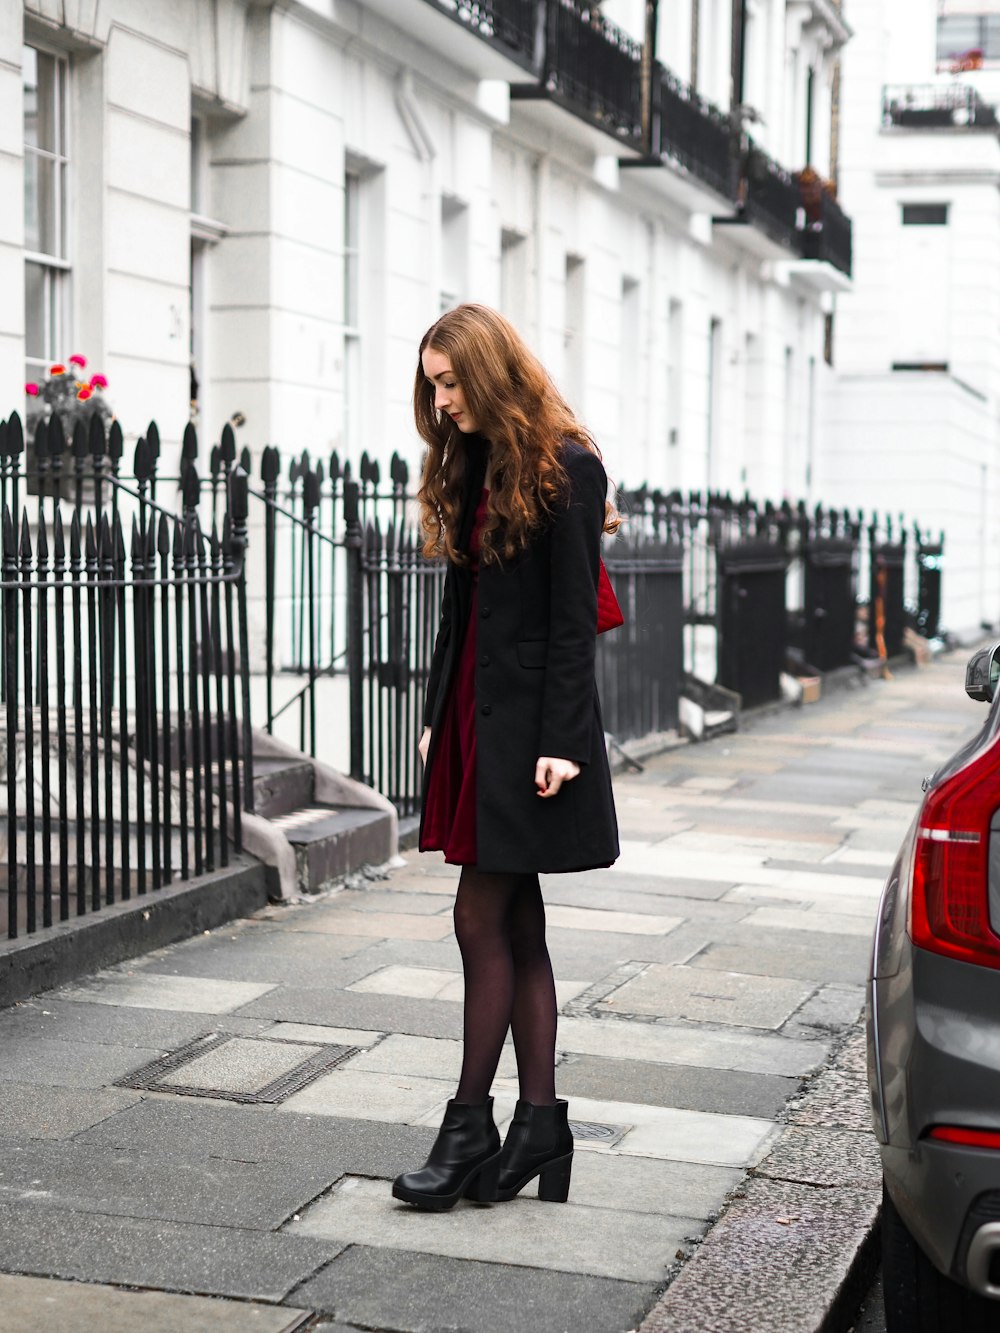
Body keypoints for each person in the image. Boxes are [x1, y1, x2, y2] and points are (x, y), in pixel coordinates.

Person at [391, 304, 620, 1212]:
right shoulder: (475, 462)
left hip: (532, 737)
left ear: (487, 372)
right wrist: (438, 712)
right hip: (476, 722)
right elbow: (462, 609)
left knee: (478, 920)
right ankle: (539, 1123)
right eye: (433, 385)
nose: (441, 402)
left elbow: (574, 620)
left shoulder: (568, 466)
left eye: (451, 382)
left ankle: (468, 1127)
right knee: (516, 925)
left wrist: (566, 742)